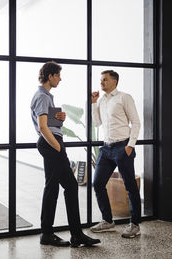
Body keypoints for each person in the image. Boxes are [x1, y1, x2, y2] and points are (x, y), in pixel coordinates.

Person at [30, 61, 100, 247]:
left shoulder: (45, 96)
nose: (60, 79)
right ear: (50, 76)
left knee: (55, 187)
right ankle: (72, 234)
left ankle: (51, 233)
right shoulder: (43, 96)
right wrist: (58, 147)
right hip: (52, 143)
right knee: (68, 186)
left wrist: (58, 118)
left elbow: (47, 122)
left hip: (50, 143)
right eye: (58, 75)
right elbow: (43, 127)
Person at [90, 70, 141, 238]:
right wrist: (93, 103)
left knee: (130, 186)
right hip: (106, 148)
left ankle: (134, 224)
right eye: (101, 80)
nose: (101, 82)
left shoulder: (124, 97)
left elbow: (136, 122)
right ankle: (108, 221)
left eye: (105, 80)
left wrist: (130, 146)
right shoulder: (102, 101)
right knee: (97, 183)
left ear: (115, 81)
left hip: (122, 147)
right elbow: (97, 123)